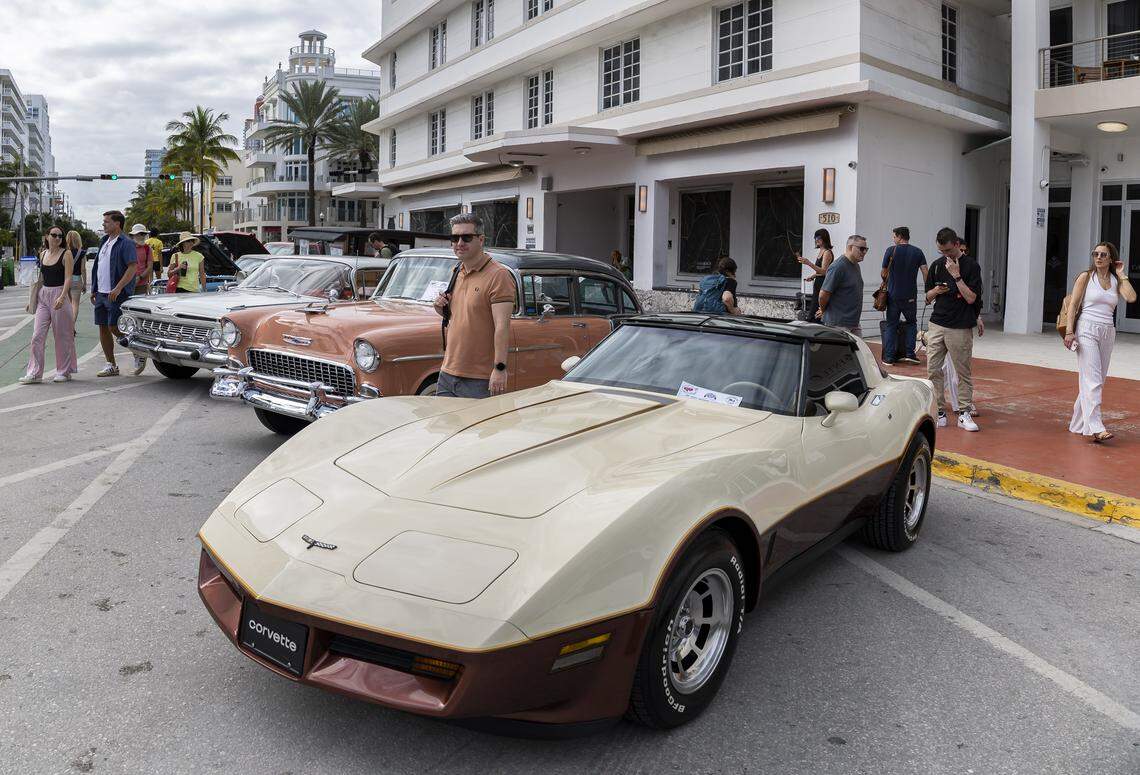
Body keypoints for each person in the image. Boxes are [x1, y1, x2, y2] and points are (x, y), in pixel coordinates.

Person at [432, 213, 516, 398]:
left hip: (479, 377)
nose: (459, 243)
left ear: (481, 239)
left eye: (466, 237)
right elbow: (460, 316)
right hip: (448, 372)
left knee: (476, 428)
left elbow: (502, 327)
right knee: (444, 428)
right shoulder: (457, 270)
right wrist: (440, 307)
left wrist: (500, 369)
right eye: (454, 238)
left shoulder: (498, 275)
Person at [1065, 242, 1136, 442]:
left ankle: (1078, 423)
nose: (1098, 257)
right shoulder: (1086, 277)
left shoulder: (1115, 279)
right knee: (1093, 380)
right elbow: (1073, 306)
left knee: (1096, 380)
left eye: (1103, 255)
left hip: (1107, 332)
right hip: (1086, 329)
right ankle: (1096, 427)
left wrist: (1121, 273)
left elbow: (1131, 298)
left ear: (1111, 259)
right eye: (1095, 253)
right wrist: (1070, 331)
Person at [925, 227, 983, 431]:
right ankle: (939, 411)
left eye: (948, 250)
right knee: (933, 370)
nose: (946, 255)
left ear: (957, 245)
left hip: (960, 326)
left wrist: (956, 276)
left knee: (962, 372)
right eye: (941, 251)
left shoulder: (971, 266)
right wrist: (936, 290)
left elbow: (972, 298)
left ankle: (964, 413)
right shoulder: (936, 265)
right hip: (937, 322)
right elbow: (927, 297)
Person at [19, 226, 77, 383]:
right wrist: (32, 301)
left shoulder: (67, 254)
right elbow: (41, 279)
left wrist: (63, 296)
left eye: (60, 236)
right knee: (37, 336)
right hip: (44, 296)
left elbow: (68, 278)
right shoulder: (43, 253)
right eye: (54, 235)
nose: (57, 238)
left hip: (59, 295)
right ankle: (35, 373)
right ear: (47, 236)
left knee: (62, 336)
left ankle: (64, 371)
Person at [90, 210, 138, 377]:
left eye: (107, 222)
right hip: (101, 293)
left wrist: (118, 288)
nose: (103, 224)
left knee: (114, 326)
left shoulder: (126, 243)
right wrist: (94, 289)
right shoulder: (104, 241)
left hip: (117, 293)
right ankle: (111, 365)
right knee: (103, 327)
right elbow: (98, 267)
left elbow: (132, 267)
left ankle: (137, 350)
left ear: (117, 224)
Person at [880, 226, 928, 365]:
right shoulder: (918, 252)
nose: (893, 239)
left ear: (900, 236)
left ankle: (889, 357)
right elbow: (925, 272)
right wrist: (928, 290)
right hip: (910, 295)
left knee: (891, 325)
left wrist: (888, 282)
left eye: (894, 236)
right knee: (911, 323)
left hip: (893, 294)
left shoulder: (890, 250)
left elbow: (883, 273)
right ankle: (910, 354)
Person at [816, 235, 867, 335]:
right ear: (850, 247)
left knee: (859, 350)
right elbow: (823, 294)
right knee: (840, 351)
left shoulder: (856, 265)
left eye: (866, 249)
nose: (864, 252)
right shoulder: (838, 266)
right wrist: (823, 309)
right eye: (862, 249)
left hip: (853, 323)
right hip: (838, 324)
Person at [796, 229, 834, 321]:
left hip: (823, 285)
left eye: (818, 238)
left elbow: (824, 272)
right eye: (815, 238)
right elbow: (822, 271)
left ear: (824, 238)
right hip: (818, 284)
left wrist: (808, 263)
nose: (816, 240)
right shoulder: (821, 251)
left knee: (815, 312)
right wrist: (813, 276)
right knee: (813, 311)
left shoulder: (827, 252)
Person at [66, 230, 85, 332]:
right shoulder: (81, 252)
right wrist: (84, 283)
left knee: (68, 304)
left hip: (65, 280)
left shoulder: (64, 252)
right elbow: (83, 269)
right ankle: (71, 326)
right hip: (76, 279)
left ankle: (68, 326)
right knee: (75, 304)